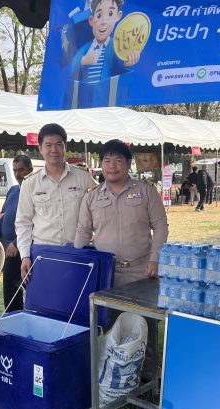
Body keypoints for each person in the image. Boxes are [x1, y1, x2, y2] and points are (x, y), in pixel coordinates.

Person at [74, 139, 168, 383]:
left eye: (118, 160)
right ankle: (115, 377)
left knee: (145, 324)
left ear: (128, 164)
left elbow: (160, 226)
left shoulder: (146, 191)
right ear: (101, 165)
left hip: (141, 271)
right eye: (107, 161)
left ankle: (148, 375)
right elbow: (83, 232)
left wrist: (155, 258)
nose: (112, 166)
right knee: (111, 324)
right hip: (108, 274)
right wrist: (76, 267)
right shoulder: (92, 197)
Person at [16, 123, 96, 282]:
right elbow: (23, 223)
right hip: (43, 255)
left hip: (77, 253)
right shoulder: (30, 183)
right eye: (48, 145)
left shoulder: (84, 178)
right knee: (45, 296)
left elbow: (100, 212)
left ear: (65, 146)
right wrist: (25, 255)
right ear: (40, 148)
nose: (54, 150)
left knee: (77, 296)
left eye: (59, 144)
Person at [0, 155, 33, 313]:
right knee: (10, 291)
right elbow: (3, 215)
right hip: (10, 250)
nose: (17, 174)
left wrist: (17, 242)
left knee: (33, 289)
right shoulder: (13, 190)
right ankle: (13, 319)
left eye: (21, 170)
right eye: (15, 170)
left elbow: (36, 223)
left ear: (30, 170)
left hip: (27, 248)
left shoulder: (35, 191)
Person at [70, 0, 140, 88]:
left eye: (110, 13)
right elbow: (73, 66)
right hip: (85, 93)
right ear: (91, 20)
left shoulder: (115, 46)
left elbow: (118, 68)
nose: (104, 21)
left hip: (105, 93)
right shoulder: (87, 47)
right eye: (99, 15)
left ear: (118, 16)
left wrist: (125, 63)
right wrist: (84, 60)